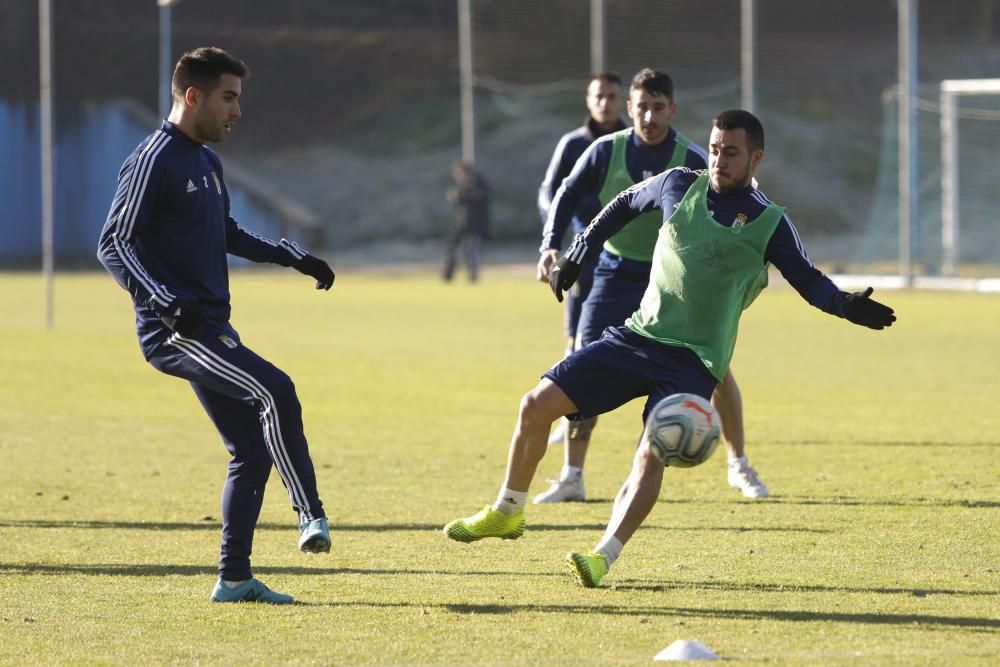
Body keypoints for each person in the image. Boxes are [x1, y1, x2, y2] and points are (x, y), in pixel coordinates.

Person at [443, 109, 895, 589]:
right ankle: (507, 510)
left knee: (649, 454)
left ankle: (603, 555)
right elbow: (622, 202)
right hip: (638, 336)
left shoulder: (769, 222)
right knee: (534, 406)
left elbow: (809, 281)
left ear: (755, 157)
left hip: (694, 363)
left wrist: (846, 305)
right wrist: (579, 251)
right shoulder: (679, 183)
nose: (719, 159)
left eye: (732, 152)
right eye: (716, 148)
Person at [97, 47, 336, 604]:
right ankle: (310, 515)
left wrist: (292, 257)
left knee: (250, 450)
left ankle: (234, 580)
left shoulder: (205, 161)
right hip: (176, 331)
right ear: (193, 95)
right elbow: (114, 242)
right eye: (229, 97)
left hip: (209, 326)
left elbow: (226, 231)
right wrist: (162, 301)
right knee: (276, 389)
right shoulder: (153, 157)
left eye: (238, 99)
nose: (237, 111)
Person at [534, 68, 767, 503]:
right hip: (613, 271)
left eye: (658, 107)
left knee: (715, 368)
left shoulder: (695, 157)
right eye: (642, 106)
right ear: (631, 109)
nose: (649, 115)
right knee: (584, 361)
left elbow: (739, 207)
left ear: (671, 110)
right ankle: (573, 475)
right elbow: (564, 194)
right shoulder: (605, 151)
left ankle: (739, 464)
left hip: (674, 281)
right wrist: (553, 247)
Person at [443, 161, 490, 282]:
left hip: (474, 224)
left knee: (471, 249)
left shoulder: (477, 182)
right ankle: (449, 273)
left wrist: (461, 196)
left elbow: (480, 197)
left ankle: (473, 275)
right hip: (462, 223)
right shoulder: (464, 184)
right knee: (452, 247)